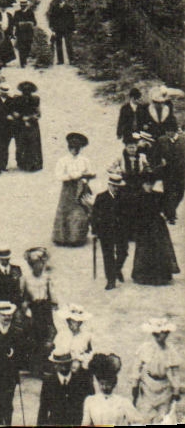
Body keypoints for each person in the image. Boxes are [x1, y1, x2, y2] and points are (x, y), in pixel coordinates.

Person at [127, 132, 180, 286]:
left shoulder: (158, 195)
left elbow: (167, 207)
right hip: (144, 225)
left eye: (150, 184)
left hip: (157, 225)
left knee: (159, 249)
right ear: (142, 185)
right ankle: (144, 275)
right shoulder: (139, 196)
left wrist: (168, 214)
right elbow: (135, 211)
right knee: (144, 250)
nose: (148, 186)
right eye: (146, 184)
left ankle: (161, 275)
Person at [132, 318, 181, 423]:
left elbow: (175, 372)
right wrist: (135, 384)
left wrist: (176, 389)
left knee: (163, 417)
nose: (160, 336)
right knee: (145, 414)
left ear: (167, 334)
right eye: (157, 333)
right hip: (148, 386)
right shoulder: (145, 348)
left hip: (164, 387)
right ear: (153, 334)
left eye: (164, 333)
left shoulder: (170, 350)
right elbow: (137, 367)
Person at [53, 133, 97, 247]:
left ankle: (77, 237)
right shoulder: (63, 160)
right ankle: (62, 238)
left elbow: (90, 172)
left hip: (82, 187)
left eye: (77, 148)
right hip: (68, 189)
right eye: (72, 148)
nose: (75, 151)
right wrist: (71, 177)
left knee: (81, 211)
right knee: (66, 211)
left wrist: (86, 178)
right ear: (69, 148)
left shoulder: (84, 160)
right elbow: (58, 175)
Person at [91, 170, 130, 288]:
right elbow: (94, 216)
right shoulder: (101, 197)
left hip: (121, 231)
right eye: (113, 186)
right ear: (109, 185)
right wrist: (94, 231)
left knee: (123, 252)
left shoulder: (124, 197)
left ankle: (117, 269)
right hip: (105, 231)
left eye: (118, 186)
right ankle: (111, 280)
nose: (115, 189)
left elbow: (129, 214)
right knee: (108, 256)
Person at [37, 347, 95, 427]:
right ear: (55, 365)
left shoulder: (81, 381)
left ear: (71, 363)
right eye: (60, 364)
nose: (64, 367)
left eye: (67, 363)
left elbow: (89, 407)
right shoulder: (48, 382)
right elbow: (43, 409)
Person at [22, 247, 57, 372]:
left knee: (48, 333)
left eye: (41, 264)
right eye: (36, 264)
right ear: (31, 265)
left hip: (45, 308)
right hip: (33, 308)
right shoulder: (26, 278)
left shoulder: (46, 277)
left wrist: (54, 303)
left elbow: (51, 292)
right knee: (33, 335)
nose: (39, 266)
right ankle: (34, 365)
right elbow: (24, 295)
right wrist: (25, 307)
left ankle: (46, 363)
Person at [81, 353, 138, 426]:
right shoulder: (90, 401)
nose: (104, 387)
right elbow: (85, 424)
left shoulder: (123, 402)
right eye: (101, 384)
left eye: (108, 384)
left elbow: (139, 421)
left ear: (113, 383)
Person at [14, 81, 44, 172]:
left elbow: (38, 113)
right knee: (21, 143)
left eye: (28, 92)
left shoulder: (35, 99)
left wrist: (31, 118)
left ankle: (33, 163)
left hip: (32, 123)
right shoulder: (17, 99)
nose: (26, 94)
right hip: (20, 123)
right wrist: (22, 117)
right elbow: (14, 112)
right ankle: (22, 163)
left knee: (33, 143)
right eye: (24, 92)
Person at [58, 307, 96, 374]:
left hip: (79, 365)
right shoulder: (62, 334)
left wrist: (80, 359)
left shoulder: (86, 336)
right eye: (70, 322)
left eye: (75, 322)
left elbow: (89, 353)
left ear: (80, 323)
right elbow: (57, 351)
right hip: (63, 363)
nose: (71, 325)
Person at [48, 0, 76, 64]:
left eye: (61, 1)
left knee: (69, 44)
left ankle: (71, 60)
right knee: (58, 45)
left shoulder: (69, 8)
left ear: (64, 1)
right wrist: (52, 29)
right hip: (58, 29)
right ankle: (60, 60)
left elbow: (72, 19)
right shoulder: (54, 8)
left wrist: (74, 29)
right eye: (59, 1)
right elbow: (52, 19)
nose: (60, 2)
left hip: (67, 29)